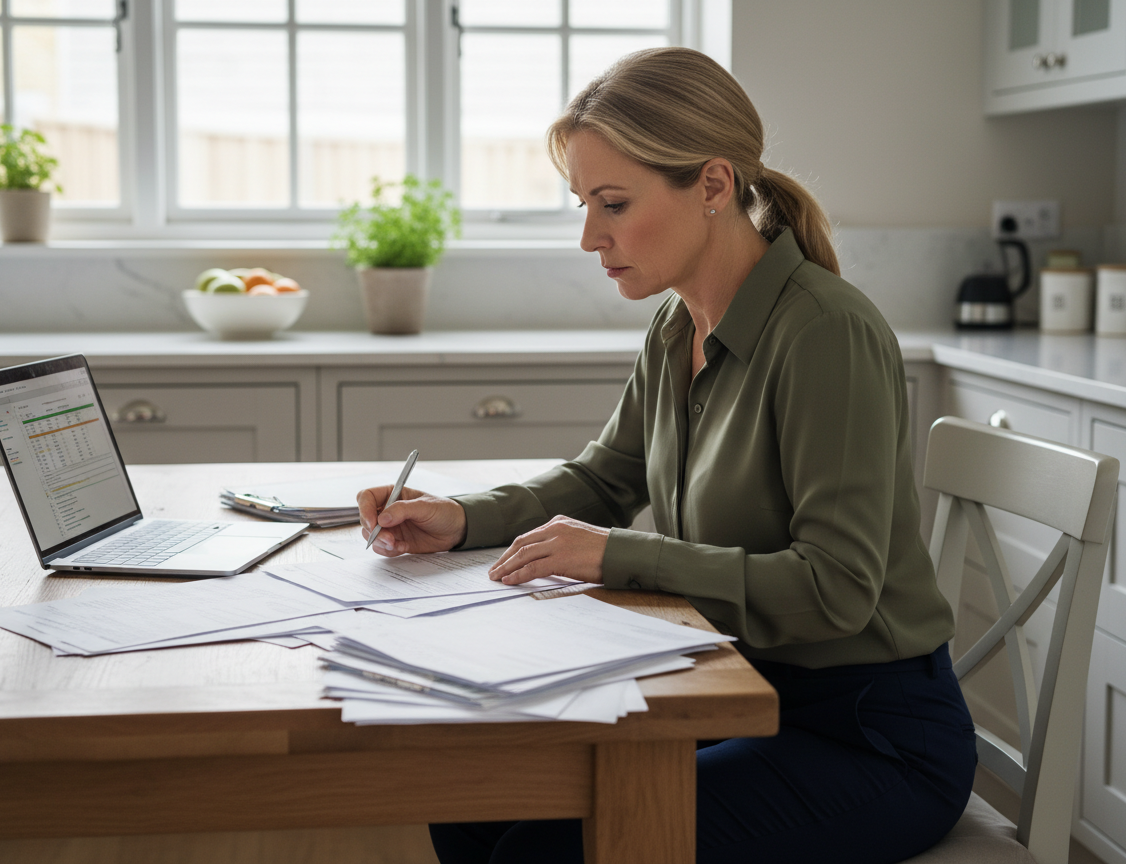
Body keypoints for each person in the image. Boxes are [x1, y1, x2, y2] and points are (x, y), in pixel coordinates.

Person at [356, 46, 976, 864]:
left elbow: (839, 589)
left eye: (612, 203)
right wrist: (463, 517)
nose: (588, 236)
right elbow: (603, 478)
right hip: (733, 698)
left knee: (540, 852)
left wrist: (619, 557)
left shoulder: (824, 332)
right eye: (582, 203)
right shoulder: (679, 323)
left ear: (713, 186)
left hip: (867, 737)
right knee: (474, 795)